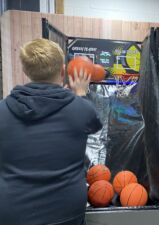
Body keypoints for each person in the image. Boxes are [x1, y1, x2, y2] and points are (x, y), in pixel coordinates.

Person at [0, 39, 102, 225]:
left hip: (12, 214)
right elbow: (95, 124)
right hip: (66, 214)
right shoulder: (81, 109)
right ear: (63, 71)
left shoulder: (2, 110)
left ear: (26, 71)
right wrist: (80, 94)